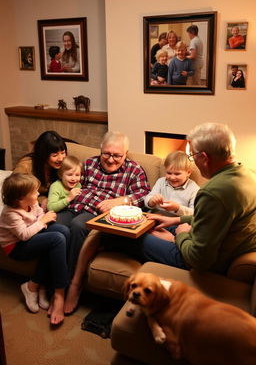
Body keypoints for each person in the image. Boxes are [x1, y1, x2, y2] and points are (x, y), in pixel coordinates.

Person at [142, 122, 256, 274]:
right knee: (152, 226)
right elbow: (215, 220)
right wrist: (177, 220)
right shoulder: (248, 175)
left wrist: (180, 235)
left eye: (193, 155)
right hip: (214, 244)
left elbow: (198, 259)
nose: (193, 159)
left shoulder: (214, 193)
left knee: (132, 238)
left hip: (206, 263)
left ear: (203, 157)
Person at [60, 131, 151, 313]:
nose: (110, 159)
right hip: (74, 205)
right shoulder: (88, 164)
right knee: (57, 228)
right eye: (106, 154)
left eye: (117, 155)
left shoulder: (133, 170)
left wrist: (122, 200)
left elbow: (145, 196)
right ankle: (47, 284)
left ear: (126, 154)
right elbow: (69, 181)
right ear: (100, 150)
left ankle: (69, 288)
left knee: (78, 227)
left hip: (94, 213)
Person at [0, 173, 70, 325]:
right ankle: (53, 290)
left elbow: (39, 214)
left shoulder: (32, 203)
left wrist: (41, 219)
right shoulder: (10, 213)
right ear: (20, 199)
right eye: (34, 192)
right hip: (16, 247)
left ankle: (39, 285)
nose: (38, 194)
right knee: (57, 239)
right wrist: (43, 220)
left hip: (32, 233)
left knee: (64, 231)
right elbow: (24, 235)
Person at [13, 131, 67, 210]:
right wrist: (41, 200)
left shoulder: (62, 164)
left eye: (63, 153)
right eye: (55, 155)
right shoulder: (26, 166)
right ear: (43, 154)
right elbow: (16, 194)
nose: (61, 158)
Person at [144, 150, 199, 217]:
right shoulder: (161, 182)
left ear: (188, 172)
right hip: (155, 217)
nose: (172, 177)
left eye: (177, 174)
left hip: (176, 221)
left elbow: (194, 213)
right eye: (169, 173)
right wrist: (151, 201)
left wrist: (177, 208)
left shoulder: (194, 189)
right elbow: (147, 200)